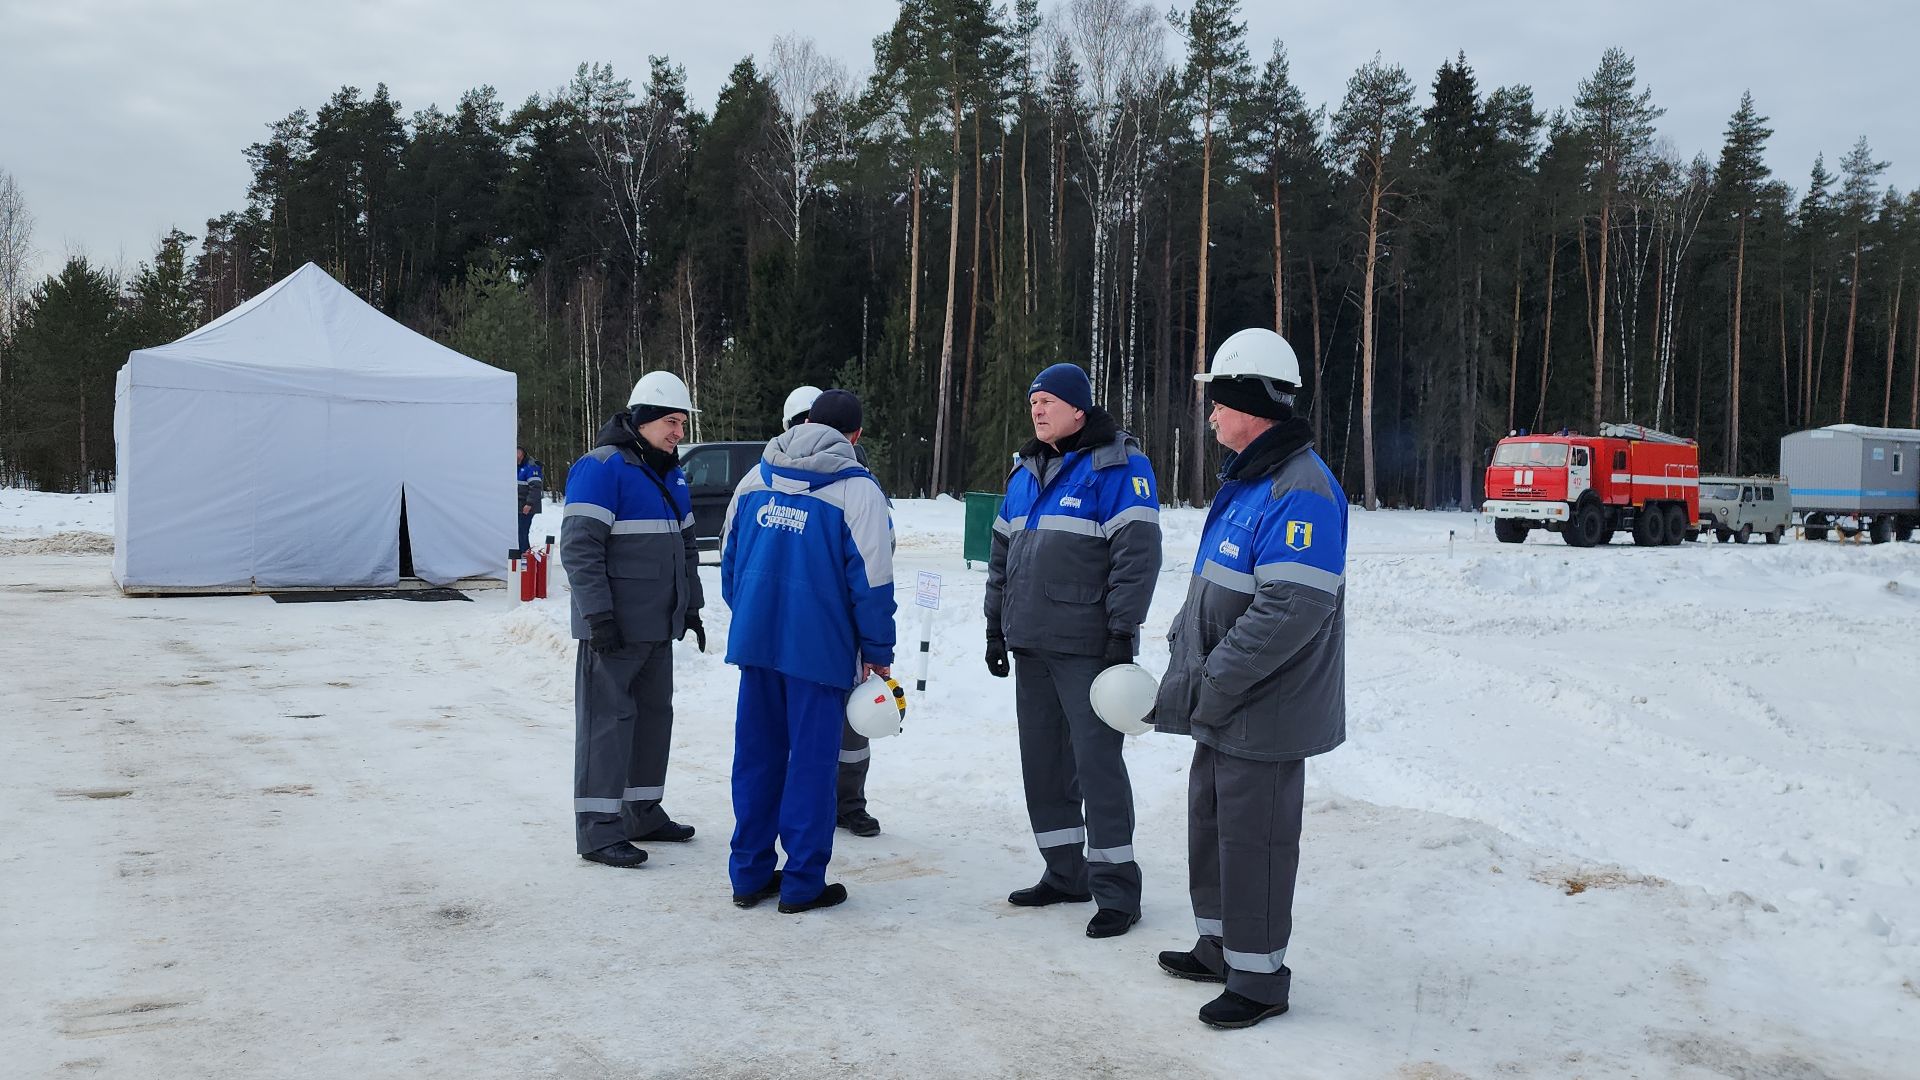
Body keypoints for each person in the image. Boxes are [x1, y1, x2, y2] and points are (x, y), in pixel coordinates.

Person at [1152, 327, 1348, 1029]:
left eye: (1219, 400)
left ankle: (1260, 978)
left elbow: (1290, 610)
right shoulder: (1249, 481)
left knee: (1255, 839)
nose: (1209, 413)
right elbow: (1215, 585)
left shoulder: (1303, 489)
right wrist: (1189, 656)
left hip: (1263, 704)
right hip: (1224, 695)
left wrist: (1215, 679)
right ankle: (1220, 947)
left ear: (1252, 404)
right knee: (1212, 823)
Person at [984, 362, 1160, 939]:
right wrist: (994, 628)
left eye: (1048, 402)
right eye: (1032, 402)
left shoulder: (1117, 466)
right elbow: (1001, 558)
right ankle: (1065, 873)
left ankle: (1117, 891)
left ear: (1079, 409)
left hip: (1089, 648)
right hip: (1030, 645)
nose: (1036, 410)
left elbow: (1137, 555)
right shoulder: (1024, 472)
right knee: (1044, 766)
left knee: (1097, 768)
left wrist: (1121, 631)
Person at [721, 389, 896, 913]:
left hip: (757, 643)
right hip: (819, 652)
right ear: (855, 436)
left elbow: (729, 561)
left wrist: (754, 615)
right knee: (812, 768)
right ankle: (801, 883)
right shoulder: (859, 492)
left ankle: (749, 873)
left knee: (756, 759)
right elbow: (872, 582)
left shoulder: (755, 478)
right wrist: (877, 650)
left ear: (807, 421)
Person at [560, 371, 708, 869]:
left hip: (657, 626)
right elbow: (579, 548)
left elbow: (686, 547)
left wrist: (692, 607)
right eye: (671, 422)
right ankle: (598, 830)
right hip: (614, 629)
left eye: (682, 423)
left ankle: (641, 812)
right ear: (643, 420)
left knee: (652, 719)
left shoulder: (671, 474)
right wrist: (598, 615)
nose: (679, 433)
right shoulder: (601, 468)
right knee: (607, 723)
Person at [783, 384, 883, 839]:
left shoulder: (860, 480)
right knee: (797, 723)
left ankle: (849, 802)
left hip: (843, 622)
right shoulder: (774, 471)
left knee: (852, 722)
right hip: (797, 622)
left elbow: (879, 548)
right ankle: (807, 806)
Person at [516, 446, 544, 555]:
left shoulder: (531, 467)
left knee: (522, 531)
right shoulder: (516, 466)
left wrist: (529, 504)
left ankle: (525, 554)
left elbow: (535, 488)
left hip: (526, 506)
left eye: (517, 452)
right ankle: (522, 553)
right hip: (518, 505)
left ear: (522, 453)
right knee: (519, 531)